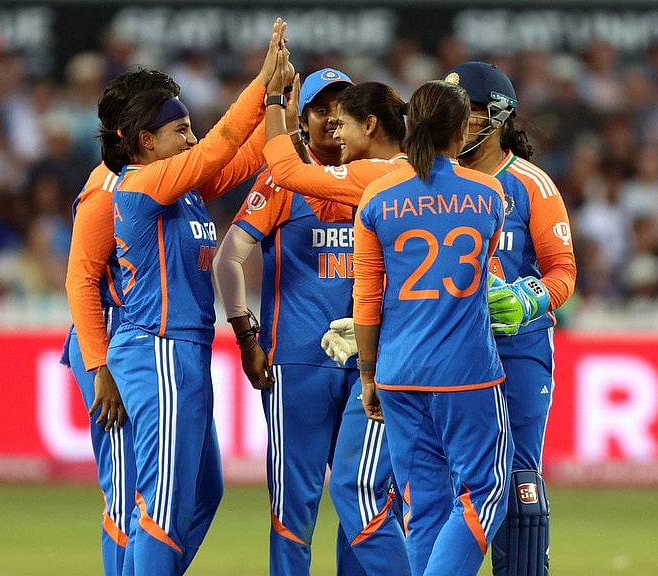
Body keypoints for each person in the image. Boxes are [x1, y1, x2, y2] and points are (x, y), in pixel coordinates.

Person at [103, 19, 288, 574]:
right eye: (179, 129)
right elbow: (217, 150)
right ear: (143, 143)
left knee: (203, 491)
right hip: (156, 348)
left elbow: (243, 155)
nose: (190, 138)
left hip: (184, 352)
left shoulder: (180, 194)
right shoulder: (139, 184)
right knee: (163, 504)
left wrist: (287, 111)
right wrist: (260, 88)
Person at [214, 70, 409, 574]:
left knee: (361, 500)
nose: (331, 120)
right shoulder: (282, 179)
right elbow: (227, 258)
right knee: (292, 512)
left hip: (369, 366)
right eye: (320, 110)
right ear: (300, 121)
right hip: (297, 364)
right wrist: (245, 335)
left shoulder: (381, 182)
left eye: (339, 109)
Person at [352, 79, 513, 576]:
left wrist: (367, 374)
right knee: (486, 492)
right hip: (466, 371)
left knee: (423, 505)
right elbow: (485, 275)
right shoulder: (488, 192)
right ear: (462, 129)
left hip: (399, 372)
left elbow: (366, 297)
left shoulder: (378, 197)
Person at [443, 61, 577, 576]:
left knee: (520, 479)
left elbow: (563, 271)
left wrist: (528, 300)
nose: (460, 125)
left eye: (471, 114)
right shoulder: (432, 179)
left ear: (499, 118)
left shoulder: (530, 184)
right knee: (445, 482)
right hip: (449, 351)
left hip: (517, 349)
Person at [61, 67, 180, 576]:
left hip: (132, 339)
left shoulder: (144, 180)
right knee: (127, 489)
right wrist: (98, 365)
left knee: (183, 491)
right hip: (115, 343)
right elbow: (82, 280)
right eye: (167, 106)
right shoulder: (106, 188)